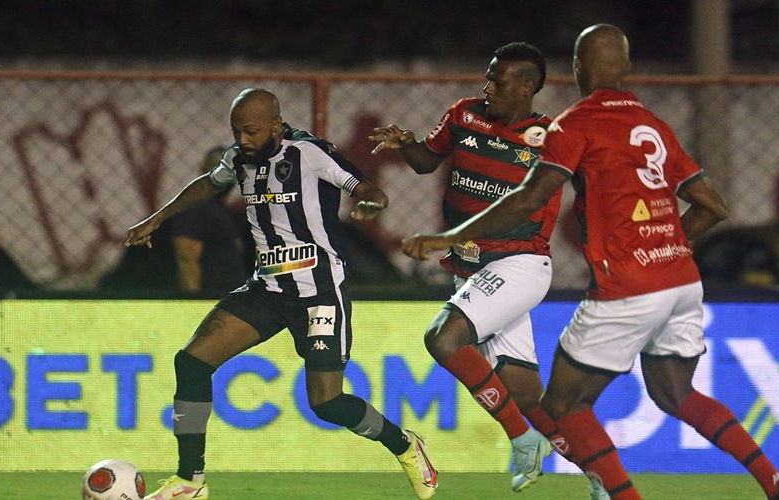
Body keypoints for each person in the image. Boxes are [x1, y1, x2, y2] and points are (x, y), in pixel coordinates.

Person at [401, 25, 779, 500]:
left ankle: (611, 489)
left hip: (624, 285)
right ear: (629, 68)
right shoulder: (652, 124)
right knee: (679, 395)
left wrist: (446, 237)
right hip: (679, 278)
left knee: (563, 403)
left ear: (577, 69)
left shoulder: (572, 125)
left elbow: (529, 196)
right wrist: (661, 243)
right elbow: (713, 206)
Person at [126, 88, 438, 500]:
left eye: (252, 131)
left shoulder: (308, 153)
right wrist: (157, 219)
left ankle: (405, 445)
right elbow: (208, 184)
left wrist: (369, 204)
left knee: (326, 403)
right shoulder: (238, 159)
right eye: (236, 131)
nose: (243, 140)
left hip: (319, 293)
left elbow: (365, 188)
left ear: (275, 125)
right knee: (191, 363)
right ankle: (190, 480)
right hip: (267, 288)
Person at [369, 42, 606, 498]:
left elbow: (590, 193)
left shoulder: (551, 136)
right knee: (525, 394)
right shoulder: (463, 114)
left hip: (519, 262)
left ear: (527, 87)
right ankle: (601, 477)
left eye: (498, 81)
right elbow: (426, 163)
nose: (487, 87)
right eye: (488, 77)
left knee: (443, 338)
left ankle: (522, 439)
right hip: (471, 268)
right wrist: (406, 145)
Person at [168, 146, 248, 293]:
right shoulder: (196, 206)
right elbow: (186, 258)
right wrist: (192, 305)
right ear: (203, 169)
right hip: (207, 303)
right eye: (218, 167)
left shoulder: (221, 209)